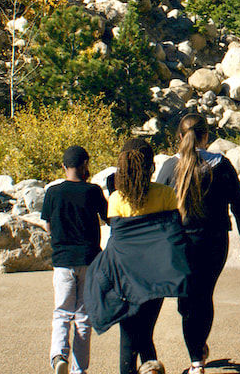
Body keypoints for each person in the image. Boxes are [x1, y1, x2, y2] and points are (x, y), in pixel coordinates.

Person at [157, 114, 240, 374]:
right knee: (202, 296)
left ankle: (196, 358)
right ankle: (198, 352)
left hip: (180, 243)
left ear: (179, 138)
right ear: (206, 137)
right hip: (214, 243)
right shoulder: (221, 165)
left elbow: (156, 207)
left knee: (187, 301)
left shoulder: (169, 167)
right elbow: (239, 203)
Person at [86, 137, 191, 374]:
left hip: (125, 278)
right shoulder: (165, 193)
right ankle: (151, 367)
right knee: (145, 330)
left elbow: (119, 240)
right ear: (151, 165)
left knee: (130, 335)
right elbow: (171, 235)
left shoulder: (116, 199)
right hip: (157, 276)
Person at [42, 145, 108, 374]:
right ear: (85, 165)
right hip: (89, 260)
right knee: (83, 315)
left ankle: (59, 355)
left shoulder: (52, 192)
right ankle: (79, 370)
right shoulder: (93, 191)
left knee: (61, 312)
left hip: (62, 260)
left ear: (64, 166)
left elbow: (48, 225)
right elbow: (108, 218)